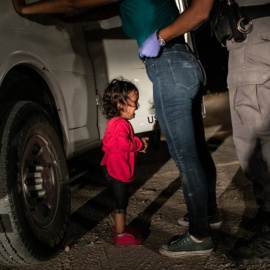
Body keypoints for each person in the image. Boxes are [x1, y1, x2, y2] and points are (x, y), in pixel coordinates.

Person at [12, 0, 221, 257]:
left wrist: (23, 9)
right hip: (184, 62)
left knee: (186, 157)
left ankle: (200, 234)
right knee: (197, 151)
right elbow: (86, 12)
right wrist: (65, 19)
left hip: (168, 64)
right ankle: (207, 214)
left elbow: (72, 3)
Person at [101, 78, 148, 246]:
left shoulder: (115, 123)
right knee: (121, 203)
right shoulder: (120, 125)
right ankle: (120, 235)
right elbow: (124, 144)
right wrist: (139, 143)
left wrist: (137, 145)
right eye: (134, 102)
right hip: (117, 171)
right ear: (121, 105)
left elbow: (119, 143)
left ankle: (121, 229)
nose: (137, 106)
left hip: (111, 169)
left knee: (120, 202)